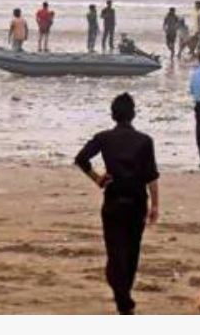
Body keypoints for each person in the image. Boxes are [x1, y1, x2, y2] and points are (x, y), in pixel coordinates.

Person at [75, 93, 160, 316]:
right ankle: (124, 300)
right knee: (131, 253)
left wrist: (96, 178)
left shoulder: (104, 138)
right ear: (133, 114)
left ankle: (123, 298)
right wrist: (156, 206)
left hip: (113, 202)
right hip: (137, 203)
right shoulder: (144, 141)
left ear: (113, 115)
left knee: (115, 254)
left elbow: (81, 158)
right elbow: (151, 175)